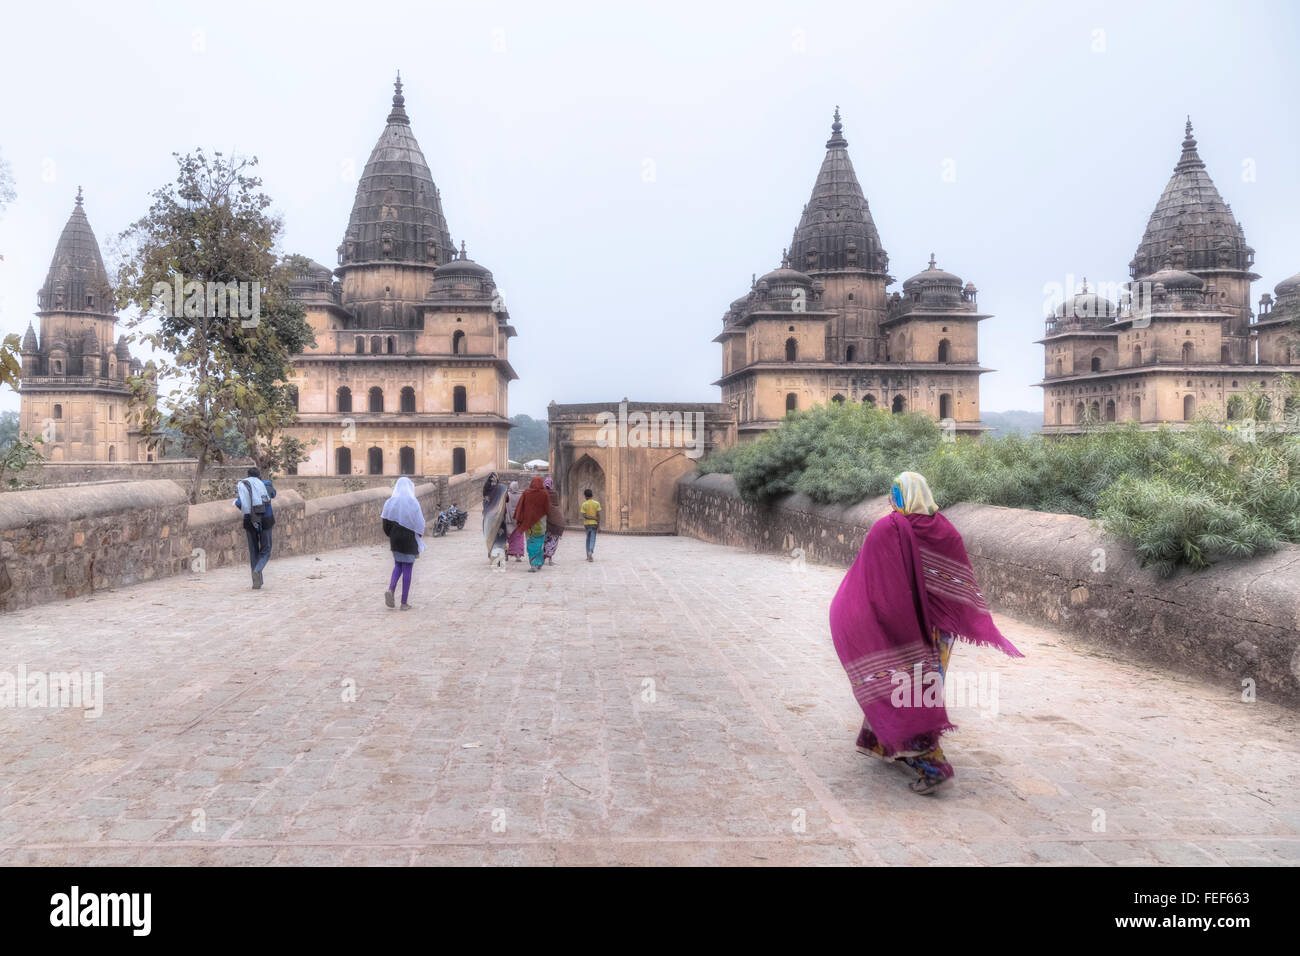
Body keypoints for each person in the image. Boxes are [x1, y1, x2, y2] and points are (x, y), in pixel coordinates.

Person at [829, 471, 1023, 795]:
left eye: (895, 495)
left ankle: (932, 766)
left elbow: (876, 586)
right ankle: (882, 742)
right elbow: (953, 584)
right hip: (940, 633)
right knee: (918, 688)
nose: (892, 501)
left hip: (907, 631)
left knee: (910, 692)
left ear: (903, 497)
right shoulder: (944, 529)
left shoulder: (890, 528)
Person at [381, 476, 426, 610]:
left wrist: (392, 535)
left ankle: (391, 589)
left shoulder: (390, 502)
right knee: (408, 568)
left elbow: (385, 523)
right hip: (409, 539)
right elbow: (419, 523)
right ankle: (404, 603)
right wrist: (418, 535)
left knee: (398, 565)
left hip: (395, 538)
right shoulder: (413, 502)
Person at [233, 467, 276, 589]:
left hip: (249, 520)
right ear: (259, 476)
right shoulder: (265, 484)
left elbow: (239, 503)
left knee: (253, 551)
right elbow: (273, 494)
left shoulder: (245, 485)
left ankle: (256, 582)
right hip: (265, 519)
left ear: (248, 475)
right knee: (266, 549)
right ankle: (258, 569)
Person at [513, 476, 550, 572]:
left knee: (531, 544)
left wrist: (520, 518)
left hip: (529, 524)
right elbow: (547, 509)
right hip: (541, 524)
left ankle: (533, 565)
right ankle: (539, 563)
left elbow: (521, 506)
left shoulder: (526, 493)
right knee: (540, 544)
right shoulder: (545, 493)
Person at [482, 473, 510, 565]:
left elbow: (485, 503)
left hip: (488, 519)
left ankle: (492, 555)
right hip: (500, 518)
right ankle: (499, 556)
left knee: (490, 537)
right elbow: (507, 499)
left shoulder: (486, 490)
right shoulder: (501, 488)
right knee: (499, 537)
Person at [542, 477, 565, 565]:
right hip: (555, 519)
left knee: (545, 540)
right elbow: (556, 505)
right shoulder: (555, 493)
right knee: (553, 540)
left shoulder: (542, 493)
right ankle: (550, 559)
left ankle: (543, 557)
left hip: (545, 520)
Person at [505, 480, 526, 562]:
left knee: (508, 538)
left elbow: (506, 507)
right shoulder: (521, 495)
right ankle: (518, 556)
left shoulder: (508, 495)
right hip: (519, 519)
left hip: (509, 518)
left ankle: (506, 555)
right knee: (518, 538)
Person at [580, 488, 601, 562]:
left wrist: (591, 517)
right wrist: (599, 525)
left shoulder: (584, 504)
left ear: (585, 496)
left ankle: (587, 555)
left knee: (588, 539)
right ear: (592, 495)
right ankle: (590, 551)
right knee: (593, 539)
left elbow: (584, 515)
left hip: (587, 524)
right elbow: (598, 516)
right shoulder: (597, 503)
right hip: (594, 524)